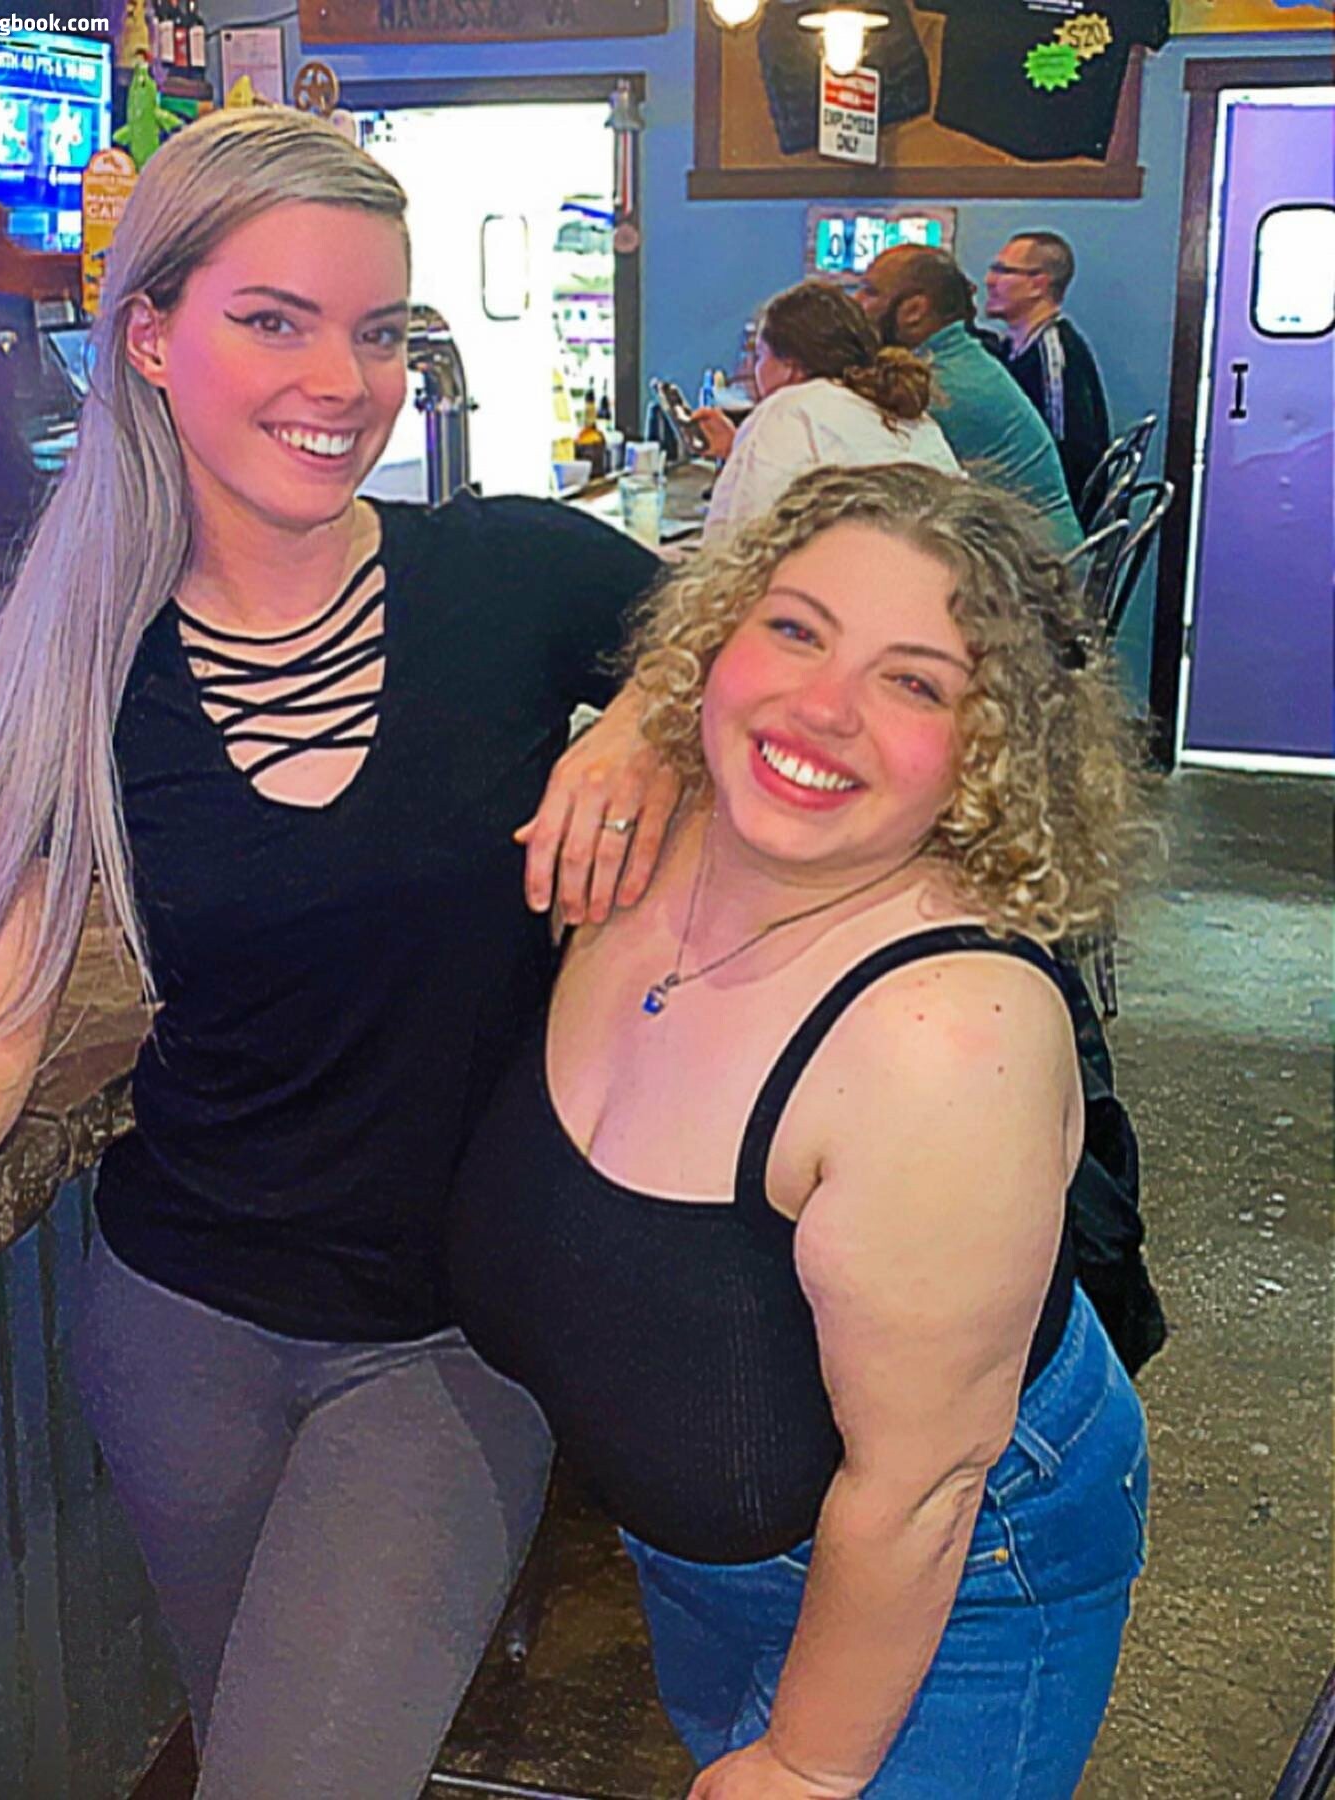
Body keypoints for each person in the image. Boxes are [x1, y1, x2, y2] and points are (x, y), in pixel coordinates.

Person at [0, 108, 679, 1798]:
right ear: (150, 337)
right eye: (275, 320)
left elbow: (785, 662)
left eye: (378, 331)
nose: (344, 380)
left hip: (450, 1340)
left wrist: (648, 719)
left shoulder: (513, 579)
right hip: (175, 1335)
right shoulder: (71, 672)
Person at [451, 464, 1150, 1798]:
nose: (822, 708)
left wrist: (812, 1768)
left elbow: (924, 1486)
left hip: (955, 1582)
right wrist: (640, 728)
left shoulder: (944, 1039)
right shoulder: (646, 834)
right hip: (707, 1555)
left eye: (916, 684)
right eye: (794, 629)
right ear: (713, 640)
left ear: (991, 753)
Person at [692, 279, 960, 551]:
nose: (754, 369)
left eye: (760, 356)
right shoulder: (914, 417)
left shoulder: (788, 409)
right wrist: (737, 450)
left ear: (790, 367)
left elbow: (734, 547)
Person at [855, 245, 1083, 554]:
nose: (856, 302)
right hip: (1036, 547)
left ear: (914, 310)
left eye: (870, 292)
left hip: (1034, 564)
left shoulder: (937, 385)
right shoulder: (960, 358)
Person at [984, 232, 1111, 521]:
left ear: (1038, 285)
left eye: (1003, 271)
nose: (990, 281)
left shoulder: (1053, 353)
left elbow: (1066, 453)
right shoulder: (1014, 347)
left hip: (1048, 519)